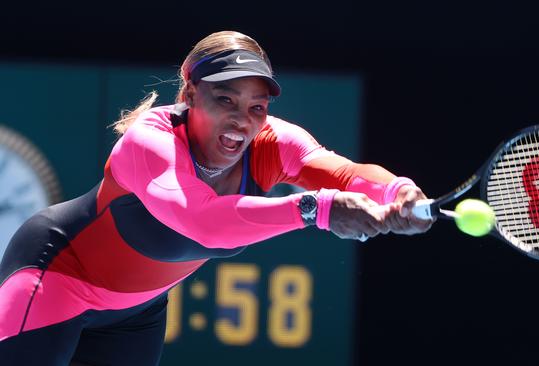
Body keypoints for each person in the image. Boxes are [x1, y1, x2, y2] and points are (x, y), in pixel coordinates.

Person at [0, 30, 434, 365]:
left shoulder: (273, 143)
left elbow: (345, 175)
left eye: (256, 107)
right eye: (224, 99)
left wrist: (398, 192)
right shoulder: (149, 141)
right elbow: (199, 221)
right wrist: (314, 209)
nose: (241, 121)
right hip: (55, 276)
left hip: (137, 313)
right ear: (189, 94)